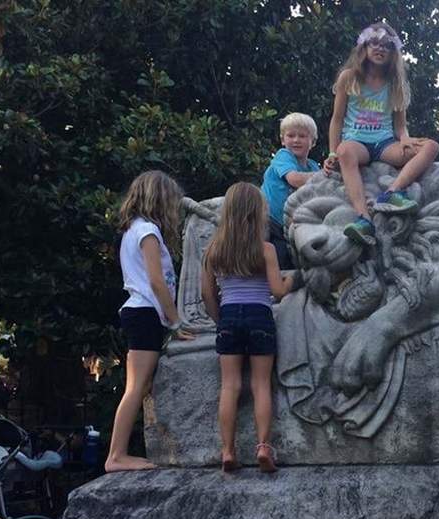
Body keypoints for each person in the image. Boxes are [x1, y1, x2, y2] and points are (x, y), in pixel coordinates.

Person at [201, 183, 294, 474]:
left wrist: (221, 321)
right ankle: (263, 447)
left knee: (230, 386)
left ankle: (228, 451)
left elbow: (206, 294)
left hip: (229, 316)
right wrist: (296, 280)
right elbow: (278, 290)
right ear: (258, 213)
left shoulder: (213, 250)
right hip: (259, 317)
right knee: (260, 384)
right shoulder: (265, 249)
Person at [105, 171, 193, 473]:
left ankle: (120, 452)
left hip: (140, 313)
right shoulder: (147, 233)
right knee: (136, 386)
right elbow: (156, 281)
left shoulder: (135, 230)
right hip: (144, 313)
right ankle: (116, 455)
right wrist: (175, 321)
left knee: (139, 386)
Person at [324, 22, 439, 247]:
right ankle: (363, 218)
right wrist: (331, 151)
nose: (380, 49)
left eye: (386, 45)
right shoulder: (349, 77)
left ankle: (392, 192)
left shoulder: (395, 83)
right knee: (344, 150)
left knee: (431, 146)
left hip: (385, 143)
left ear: (393, 53)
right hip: (356, 141)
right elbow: (336, 119)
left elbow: (400, 125)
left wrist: (405, 138)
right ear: (364, 48)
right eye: (374, 43)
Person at [260, 112, 322, 270]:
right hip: (271, 222)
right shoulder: (283, 156)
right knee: (279, 258)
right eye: (291, 135)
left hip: (293, 225)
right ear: (282, 140)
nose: (296, 140)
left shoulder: (312, 166)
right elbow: (294, 179)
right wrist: (325, 176)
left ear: (313, 141)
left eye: (302, 136)